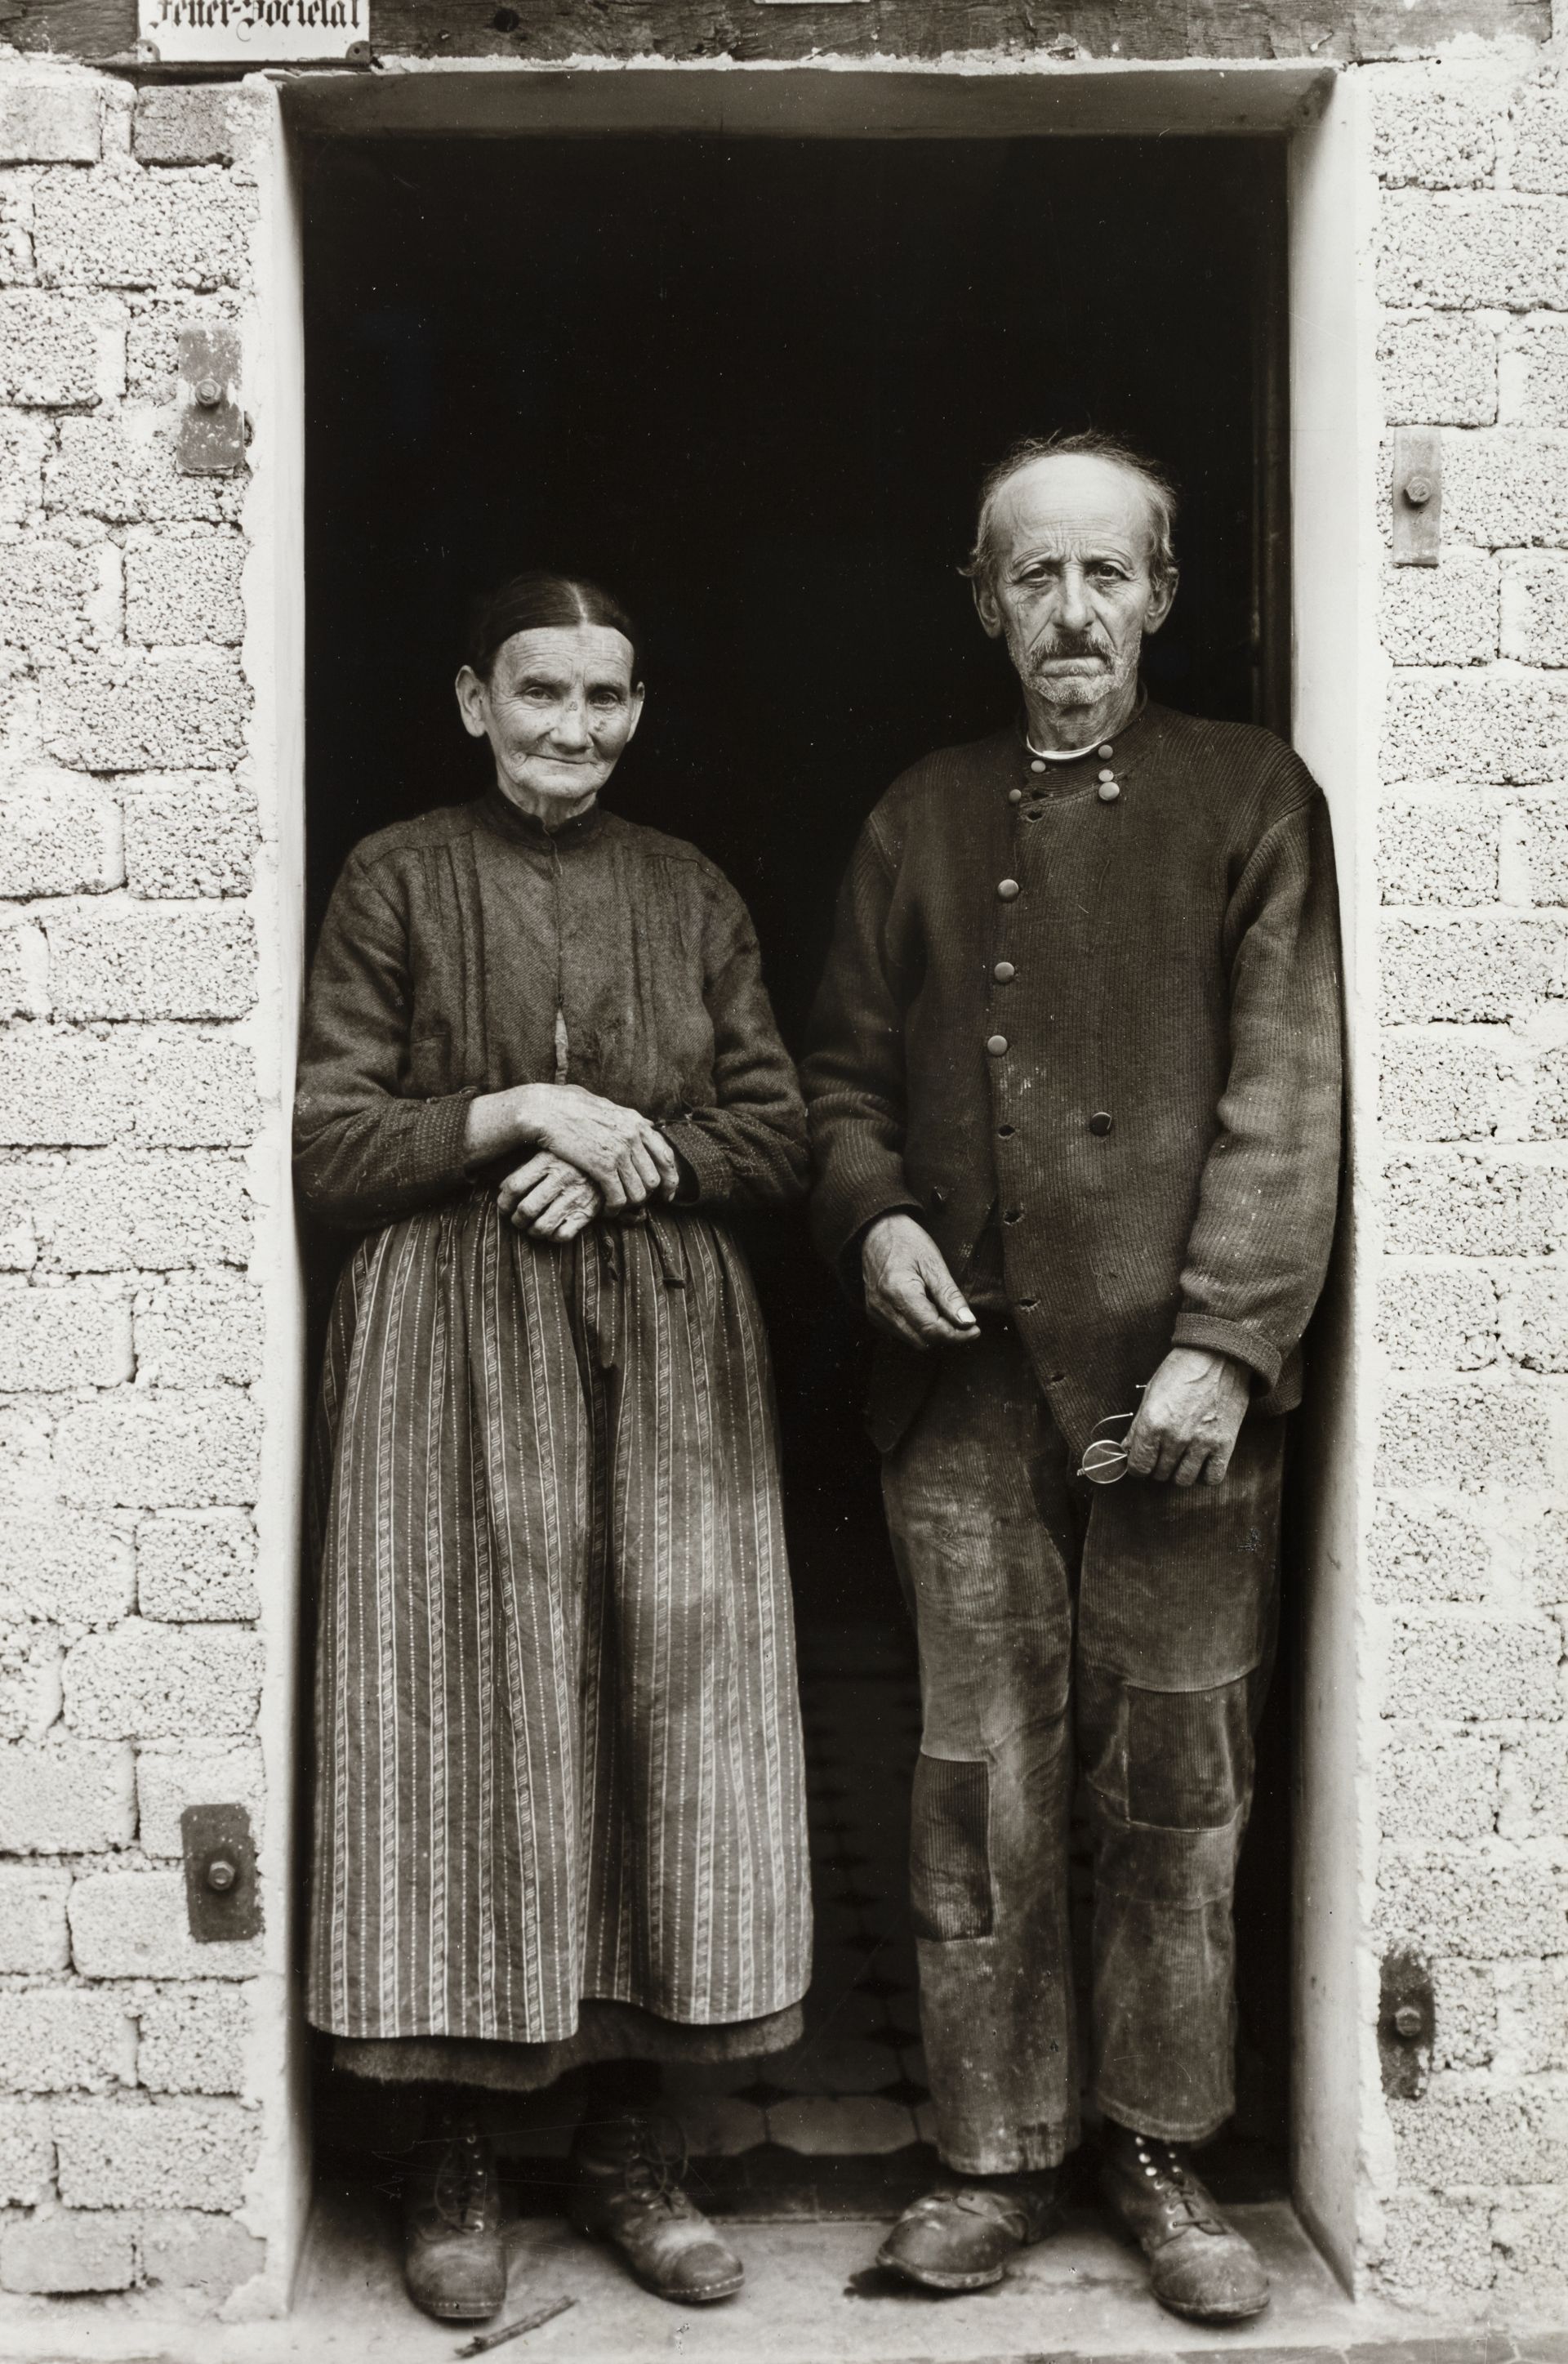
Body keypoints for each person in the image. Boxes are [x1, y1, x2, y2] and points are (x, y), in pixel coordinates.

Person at [803, 433, 1342, 2325]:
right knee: (978, 1788)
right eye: (1034, 578)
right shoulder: (919, 818)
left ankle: (1163, 2148)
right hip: (964, 1404)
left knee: (1177, 1784)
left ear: (1164, 597)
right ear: (984, 603)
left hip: (1181, 1407)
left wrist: (1225, 1343)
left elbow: (1288, 1102)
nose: (1073, 613)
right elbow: (840, 1080)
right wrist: (871, 1217)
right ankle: (992, 2150)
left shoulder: (1250, 800)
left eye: (1108, 575)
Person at [294, 571, 812, 2325]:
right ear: (469, 700)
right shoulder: (394, 877)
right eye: (538, 696)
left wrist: (621, 1149)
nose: (571, 730)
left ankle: (626, 2145)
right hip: (447, 1355)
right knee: (464, 1720)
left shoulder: (691, 891)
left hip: (667, 1359)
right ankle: (451, 2151)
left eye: (603, 699)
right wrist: (514, 1109)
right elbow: (328, 1143)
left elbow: (781, 1134)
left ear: (638, 711)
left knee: (659, 1714)